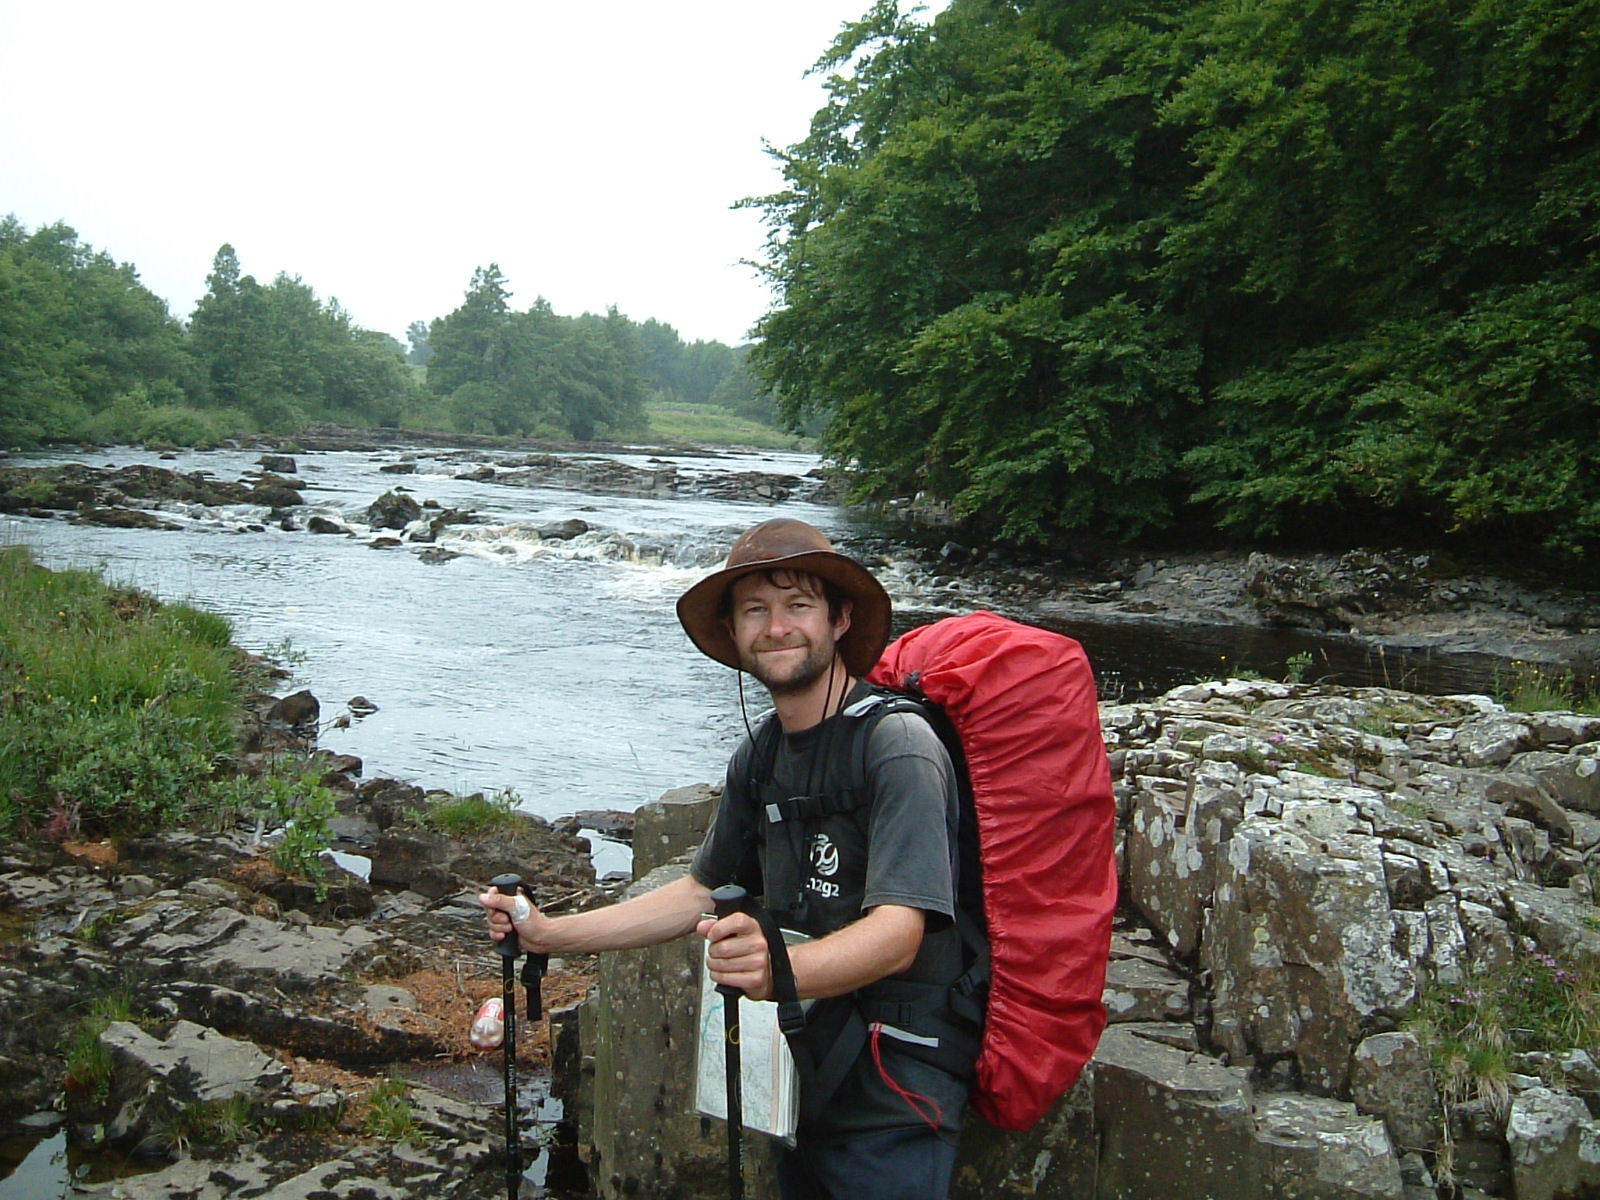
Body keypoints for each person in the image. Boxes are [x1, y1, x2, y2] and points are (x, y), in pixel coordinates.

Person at [481, 517, 981, 1200]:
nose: (777, 627)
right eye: (756, 610)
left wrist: (781, 967)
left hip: (897, 1089)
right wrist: (549, 934)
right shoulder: (762, 754)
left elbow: (900, 935)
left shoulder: (898, 746)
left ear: (839, 620)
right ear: (736, 633)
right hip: (809, 1064)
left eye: (799, 605)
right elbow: (697, 892)